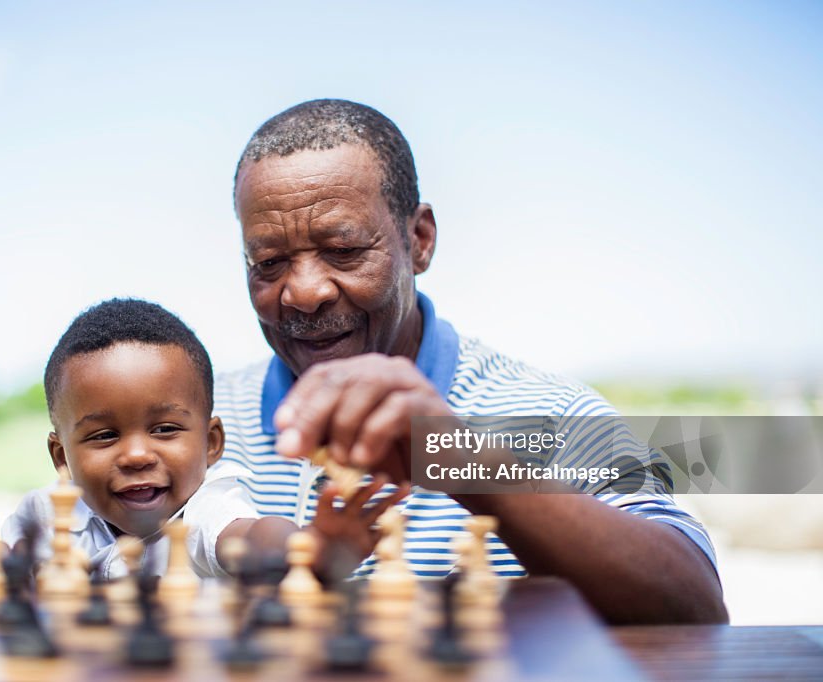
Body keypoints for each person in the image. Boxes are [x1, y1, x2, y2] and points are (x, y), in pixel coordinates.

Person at [216, 98, 728, 623]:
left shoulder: (552, 413)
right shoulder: (195, 426)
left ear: (419, 240)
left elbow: (696, 608)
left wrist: (467, 462)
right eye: (269, 263)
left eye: (343, 251)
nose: (304, 292)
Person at [2, 298, 406, 580]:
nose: (137, 454)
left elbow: (249, 536)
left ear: (212, 442)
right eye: (104, 436)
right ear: (61, 456)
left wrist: (309, 548)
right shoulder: (43, 513)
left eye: (165, 429)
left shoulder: (204, 511)